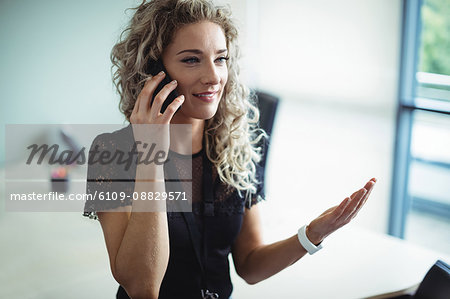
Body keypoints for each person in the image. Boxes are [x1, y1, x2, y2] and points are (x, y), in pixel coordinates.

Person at [83, 0, 377, 298]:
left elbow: (250, 265)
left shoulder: (235, 146)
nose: (213, 77)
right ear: (153, 70)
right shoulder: (112, 151)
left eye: (220, 59)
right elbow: (142, 286)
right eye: (191, 60)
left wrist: (312, 234)